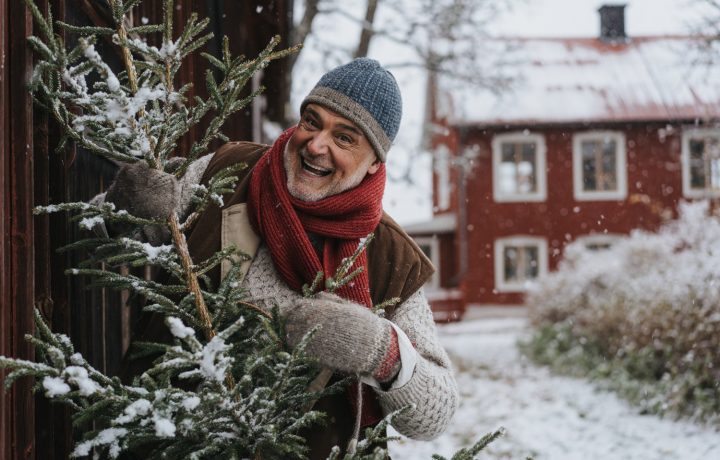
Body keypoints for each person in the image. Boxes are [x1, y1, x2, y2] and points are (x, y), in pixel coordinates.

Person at [103, 58, 458, 458]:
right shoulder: (228, 172)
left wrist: (383, 352)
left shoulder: (388, 257)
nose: (317, 144)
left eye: (345, 138)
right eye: (312, 121)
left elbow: (435, 414)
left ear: (375, 161)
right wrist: (121, 209)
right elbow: (106, 242)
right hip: (165, 440)